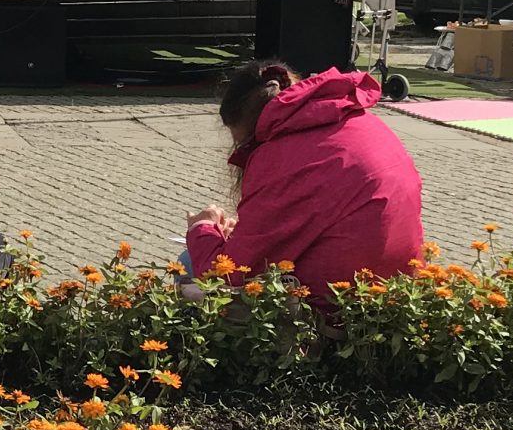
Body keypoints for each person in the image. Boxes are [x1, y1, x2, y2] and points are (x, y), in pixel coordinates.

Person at [181, 60, 424, 310]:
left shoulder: (282, 155)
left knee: (189, 263)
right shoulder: (359, 120)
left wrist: (203, 228)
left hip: (336, 308)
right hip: (400, 290)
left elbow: (228, 273)